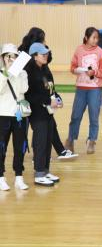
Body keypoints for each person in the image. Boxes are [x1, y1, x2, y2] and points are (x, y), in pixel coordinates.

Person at [18, 27, 75, 160]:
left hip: (39, 98)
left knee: (47, 124)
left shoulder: (41, 60)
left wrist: (53, 95)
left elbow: (48, 79)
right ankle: (28, 158)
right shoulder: (24, 56)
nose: (44, 43)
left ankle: (54, 152)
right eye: (42, 40)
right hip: (26, 99)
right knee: (27, 129)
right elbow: (16, 77)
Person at [24, 43, 61, 186]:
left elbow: (51, 89)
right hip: (37, 112)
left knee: (47, 140)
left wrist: (57, 98)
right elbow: (29, 95)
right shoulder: (29, 71)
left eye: (46, 53)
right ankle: (39, 173)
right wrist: (47, 101)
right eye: (42, 54)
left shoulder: (45, 69)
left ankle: (45, 170)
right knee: (40, 141)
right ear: (34, 56)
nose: (46, 56)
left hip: (48, 112)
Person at [65, 27, 102, 155]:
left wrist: (94, 72)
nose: (96, 40)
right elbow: (72, 67)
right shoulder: (79, 50)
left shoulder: (100, 52)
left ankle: (92, 140)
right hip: (81, 89)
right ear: (86, 38)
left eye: (97, 38)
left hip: (95, 89)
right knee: (76, 116)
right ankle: (70, 140)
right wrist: (77, 70)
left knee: (94, 116)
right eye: (93, 37)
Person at [0, 43, 30, 191]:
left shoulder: (22, 73)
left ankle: (19, 177)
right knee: (2, 147)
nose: (11, 59)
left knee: (20, 147)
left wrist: (16, 71)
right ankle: (1, 177)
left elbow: (23, 89)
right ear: (3, 58)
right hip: (3, 115)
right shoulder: (1, 73)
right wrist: (6, 72)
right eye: (8, 56)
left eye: (14, 56)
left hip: (19, 115)